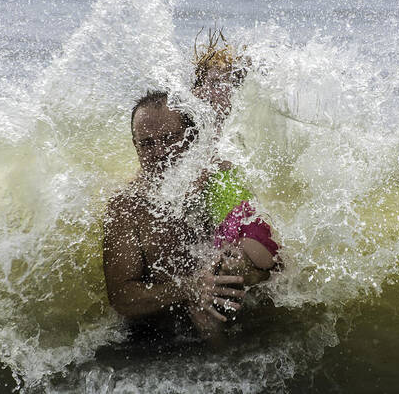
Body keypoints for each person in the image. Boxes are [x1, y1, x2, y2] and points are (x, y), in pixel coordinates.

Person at [102, 30, 279, 345]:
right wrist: (189, 287)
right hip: (153, 342)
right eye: (146, 144)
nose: (159, 152)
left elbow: (275, 264)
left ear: (191, 137)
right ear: (134, 146)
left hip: (229, 324)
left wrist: (244, 269)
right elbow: (122, 297)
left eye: (170, 139)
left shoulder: (218, 179)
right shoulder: (127, 207)